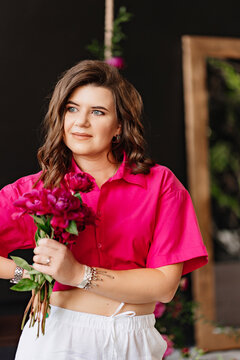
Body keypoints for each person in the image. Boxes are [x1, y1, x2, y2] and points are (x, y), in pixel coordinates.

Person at [0, 60, 208, 360]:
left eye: (97, 112)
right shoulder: (33, 191)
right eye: (72, 109)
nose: (80, 122)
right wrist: (29, 274)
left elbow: (164, 287)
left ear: (119, 125)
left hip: (134, 340)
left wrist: (79, 274)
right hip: (57, 341)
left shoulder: (160, 184)